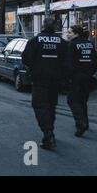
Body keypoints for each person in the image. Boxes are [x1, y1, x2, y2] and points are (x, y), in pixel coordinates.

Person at [22, 18, 67, 150]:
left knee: (39, 105)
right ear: (54, 27)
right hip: (56, 80)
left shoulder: (35, 41)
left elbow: (26, 59)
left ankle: (48, 133)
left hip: (40, 79)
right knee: (51, 105)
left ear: (43, 26)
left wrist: (36, 67)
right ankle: (50, 130)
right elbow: (68, 62)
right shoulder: (62, 42)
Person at [66, 25, 97, 138]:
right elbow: (95, 62)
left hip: (76, 78)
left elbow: (69, 64)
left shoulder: (72, 45)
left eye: (69, 32)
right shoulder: (90, 44)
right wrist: (90, 73)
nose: (67, 34)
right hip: (88, 77)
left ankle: (81, 123)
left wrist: (69, 77)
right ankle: (86, 122)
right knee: (83, 100)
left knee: (72, 100)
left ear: (76, 34)